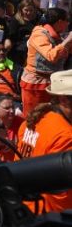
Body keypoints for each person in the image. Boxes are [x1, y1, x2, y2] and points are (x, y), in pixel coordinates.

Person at [17, 69, 72, 213]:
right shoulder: (66, 136)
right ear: (64, 99)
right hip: (47, 215)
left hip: (23, 204)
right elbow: (62, 195)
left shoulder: (35, 119)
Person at [21, 8, 72, 115]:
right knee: (33, 115)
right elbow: (51, 56)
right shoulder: (39, 34)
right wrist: (68, 40)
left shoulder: (57, 35)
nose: (68, 24)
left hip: (52, 82)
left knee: (51, 115)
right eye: (67, 21)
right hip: (35, 85)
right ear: (59, 22)